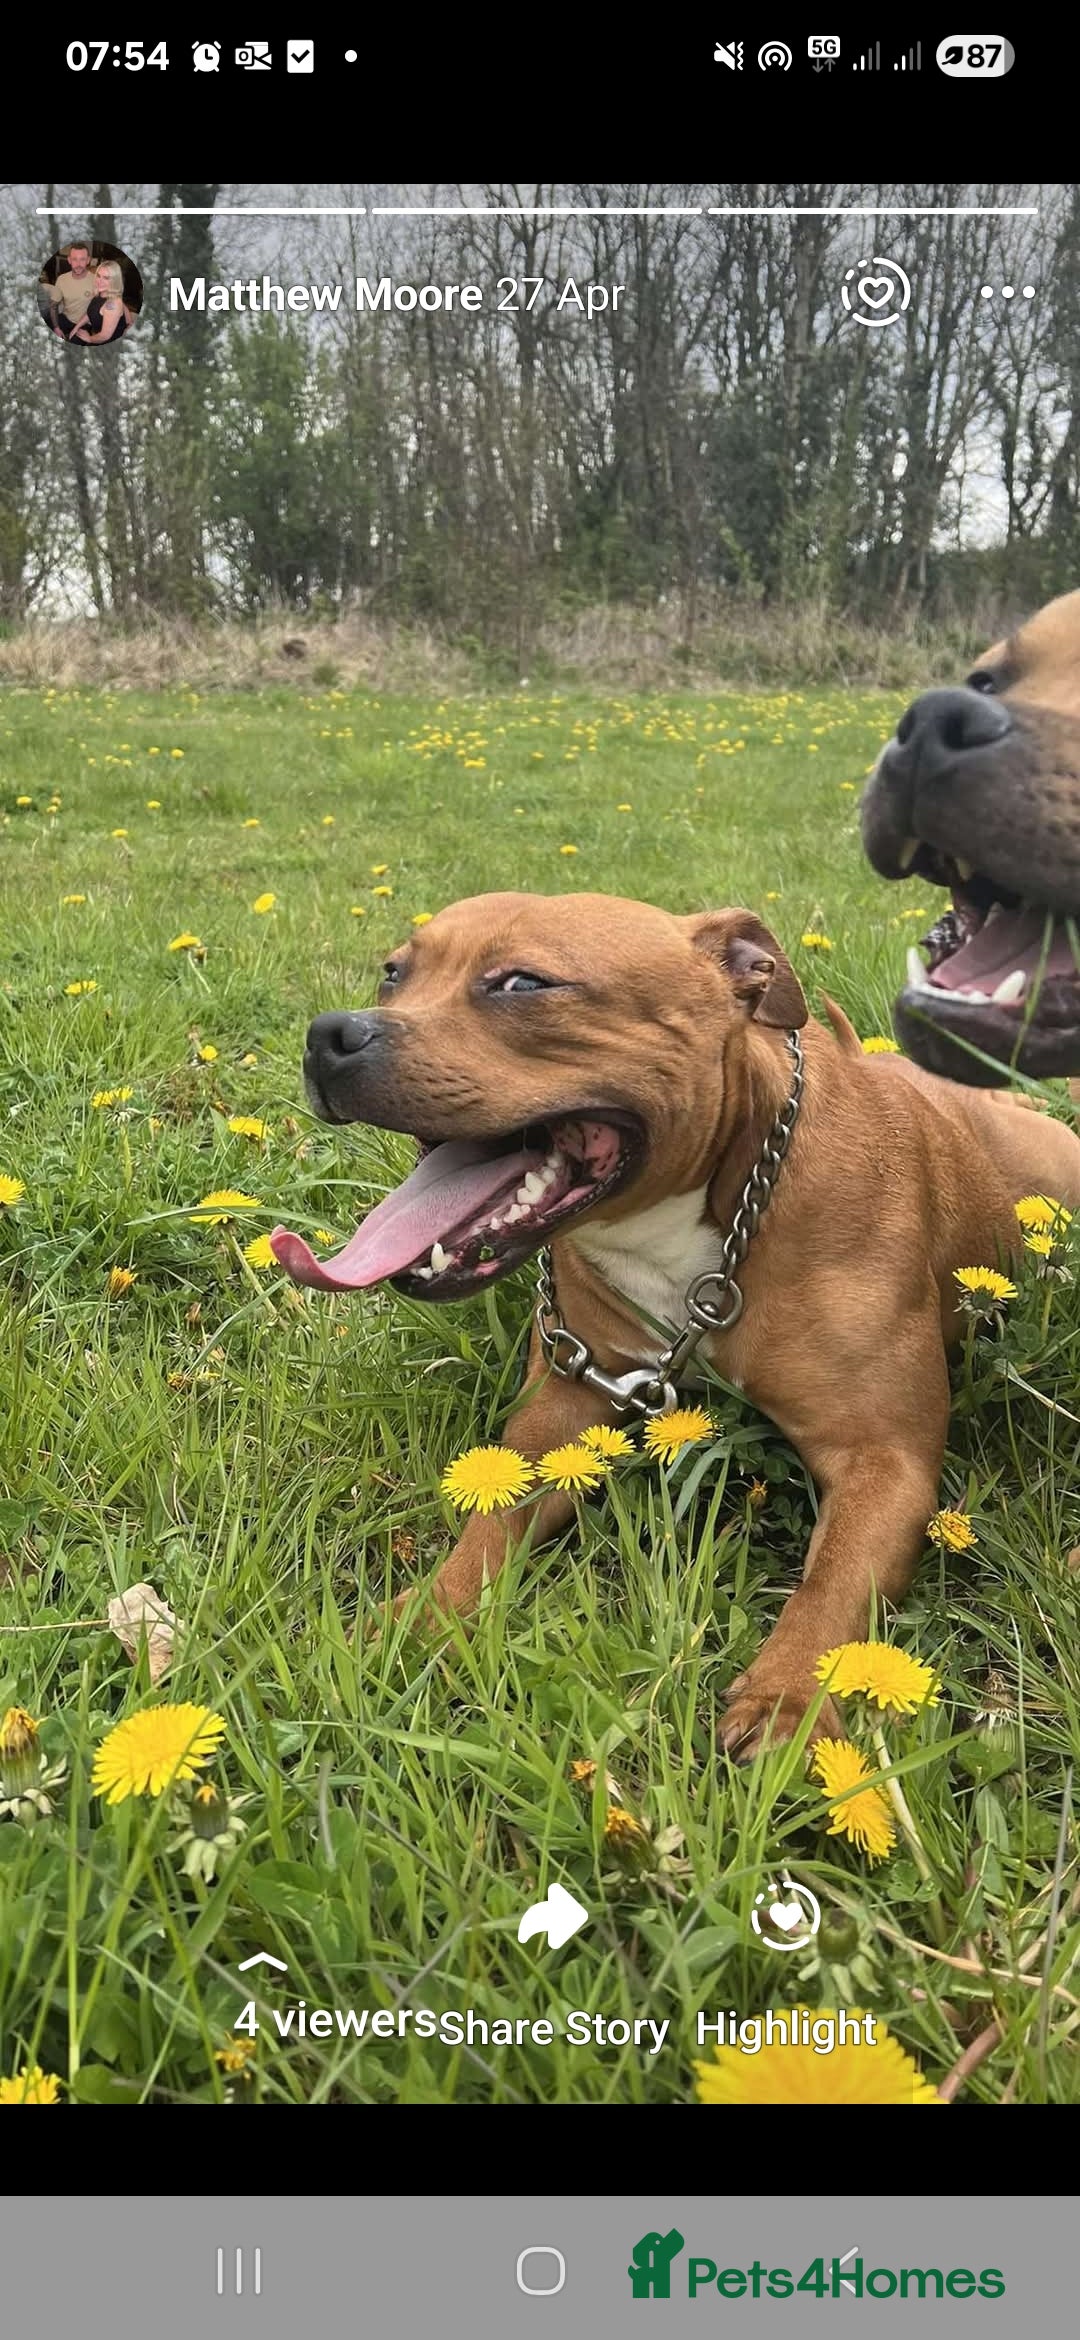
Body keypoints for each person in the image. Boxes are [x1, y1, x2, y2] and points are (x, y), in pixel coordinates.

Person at [68, 261, 132, 348]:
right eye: (98, 276)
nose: (99, 281)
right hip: (98, 336)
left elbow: (105, 336)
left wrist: (89, 338)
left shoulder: (112, 303)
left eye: (106, 278)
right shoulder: (100, 293)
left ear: (115, 281)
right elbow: (90, 312)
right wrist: (76, 327)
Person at [47, 242, 96, 338]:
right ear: (69, 260)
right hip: (66, 318)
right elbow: (53, 306)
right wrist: (56, 328)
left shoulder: (96, 280)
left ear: (88, 260)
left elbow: (112, 297)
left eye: (82, 259)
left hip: (85, 324)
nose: (78, 264)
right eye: (74, 259)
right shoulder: (61, 279)